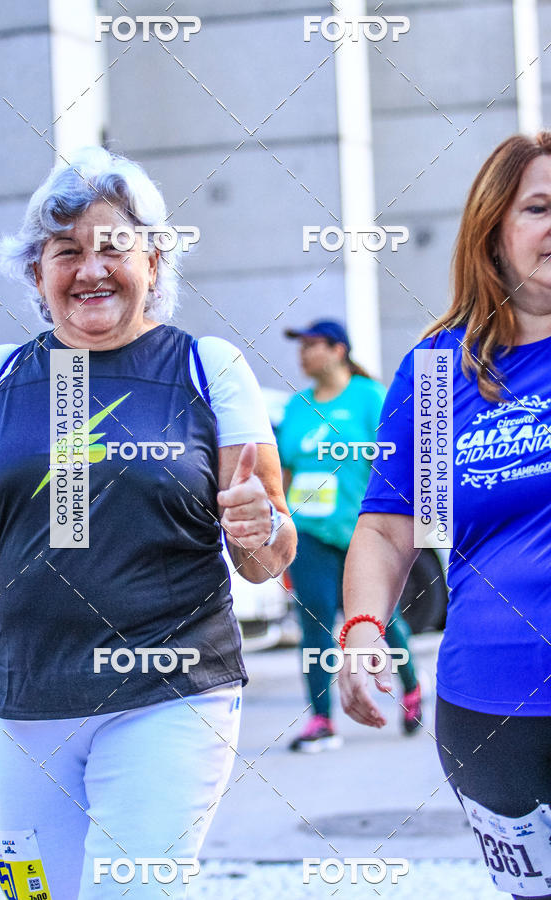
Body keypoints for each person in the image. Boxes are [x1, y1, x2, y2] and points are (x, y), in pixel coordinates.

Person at [0, 147, 296, 899]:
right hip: (24, 700)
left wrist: (257, 524)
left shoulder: (209, 368)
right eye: (65, 252)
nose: (90, 269)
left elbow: (271, 554)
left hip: (170, 695)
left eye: (113, 246)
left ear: (153, 258)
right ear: (37, 273)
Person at [338, 131, 551, 899]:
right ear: (493, 230)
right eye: (538, 207)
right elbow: (394, 526)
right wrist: (362, 632)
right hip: (491, 710)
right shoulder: (439, 372)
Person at [278, 320, 421, 752]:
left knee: (380, 619)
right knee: (314, 621)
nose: (303, 354)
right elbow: (285, 470)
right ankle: (321, 719)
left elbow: (399, 457)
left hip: (362, 530)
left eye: (312, 345)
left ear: (338, 349)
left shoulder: (369, 397)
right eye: (300, 346)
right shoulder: (297, 406)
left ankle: (412, 686)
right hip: (310, 533)